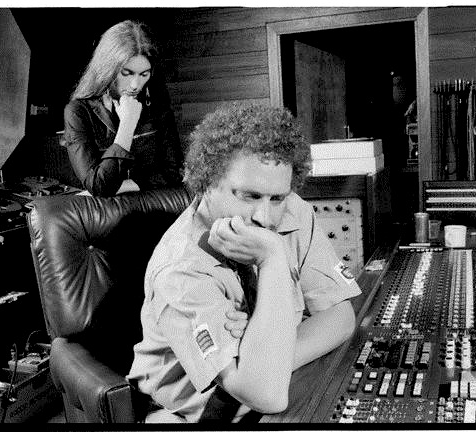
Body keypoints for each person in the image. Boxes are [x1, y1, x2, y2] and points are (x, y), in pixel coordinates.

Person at [128, 103, 360, 422]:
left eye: (276, 198)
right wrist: (272, 258)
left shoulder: (292, 210)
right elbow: (265, 394)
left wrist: (268, 358)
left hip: (276, 390)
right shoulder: (180, 268)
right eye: (249, 196)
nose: (265, 217)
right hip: (196, 416)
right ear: (207, 182)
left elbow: (341, 317)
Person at [63, 20, 184, 197]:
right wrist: (127, 125)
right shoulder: (78, 112)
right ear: (108, 69)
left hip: (151, 204)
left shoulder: (157, 107)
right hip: (104, 212)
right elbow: (98, 184)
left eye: (144, 74)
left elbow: (175, 171)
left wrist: (124, 186)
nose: (135, 85)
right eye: (127, 73)